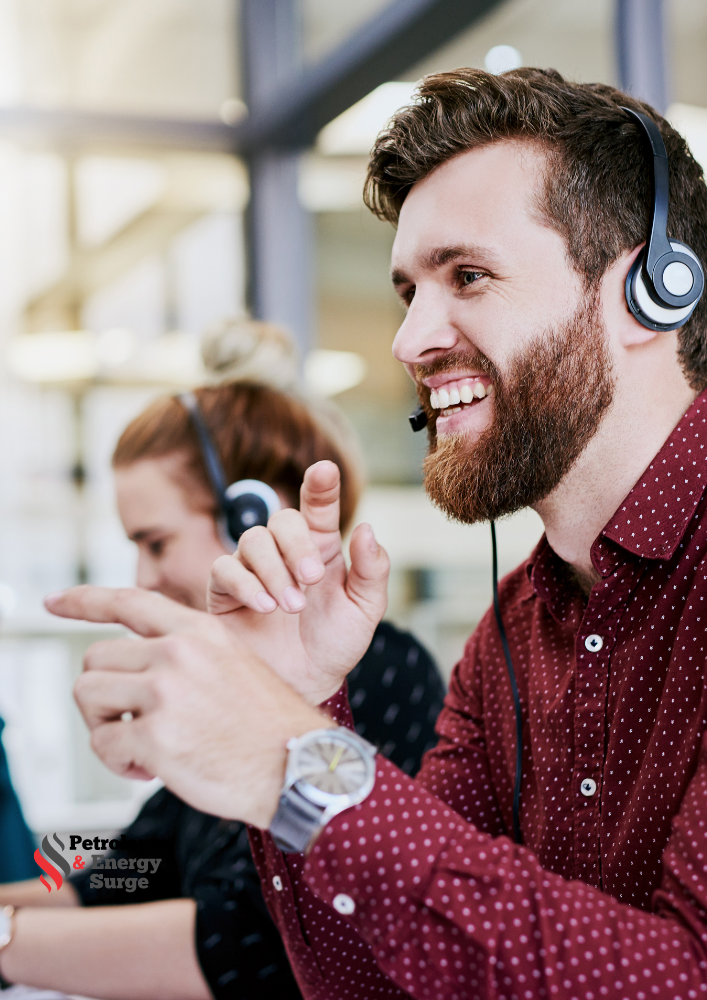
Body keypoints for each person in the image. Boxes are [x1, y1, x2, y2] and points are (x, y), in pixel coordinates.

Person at [41, 65, 707, 1000]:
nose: (406, 341)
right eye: (407, 292)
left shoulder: (393, 668)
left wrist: (292, 757)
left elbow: (684, 980)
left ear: (651, 288)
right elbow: (363, 977)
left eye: (467, 276)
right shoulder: (510, 634)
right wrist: (304, 708)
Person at [0, 381, 444, 998]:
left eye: (156, 544)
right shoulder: (232, 683)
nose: (143, 578)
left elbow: (245, 941)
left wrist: (6, 943)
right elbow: (135, 868)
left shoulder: (373, 670)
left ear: (251, 518)